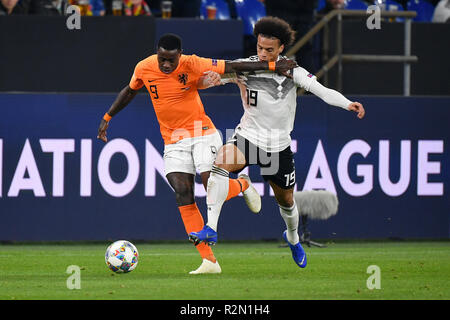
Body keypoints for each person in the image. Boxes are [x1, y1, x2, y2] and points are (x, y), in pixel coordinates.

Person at [97, 33, 296, 274]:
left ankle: (242, 185)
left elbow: (234, 66)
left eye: (171, 60)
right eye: (162, 59)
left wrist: (273, 65)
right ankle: (210, 262)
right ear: (156, 54)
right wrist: (108, 117)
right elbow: (130, 91)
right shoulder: (144, 67)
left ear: (179, 56)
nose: (166, 65)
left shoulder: (193, 63)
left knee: (209, 182)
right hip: (172, 140)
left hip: (201, 132)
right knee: (183, 192)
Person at [189, 17, 365, 269]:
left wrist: (348, 103)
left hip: (278, 148)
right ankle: (211, 228)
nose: (262, 53)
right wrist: (209, 80)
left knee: (286, 202)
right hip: (248, 137)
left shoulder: (292, 70)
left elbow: (322, 91)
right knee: (219, 165)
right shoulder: (244, 67)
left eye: (269, 50)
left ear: (281, 47)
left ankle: (293, 239)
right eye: (260, 47)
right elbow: (207, 81)